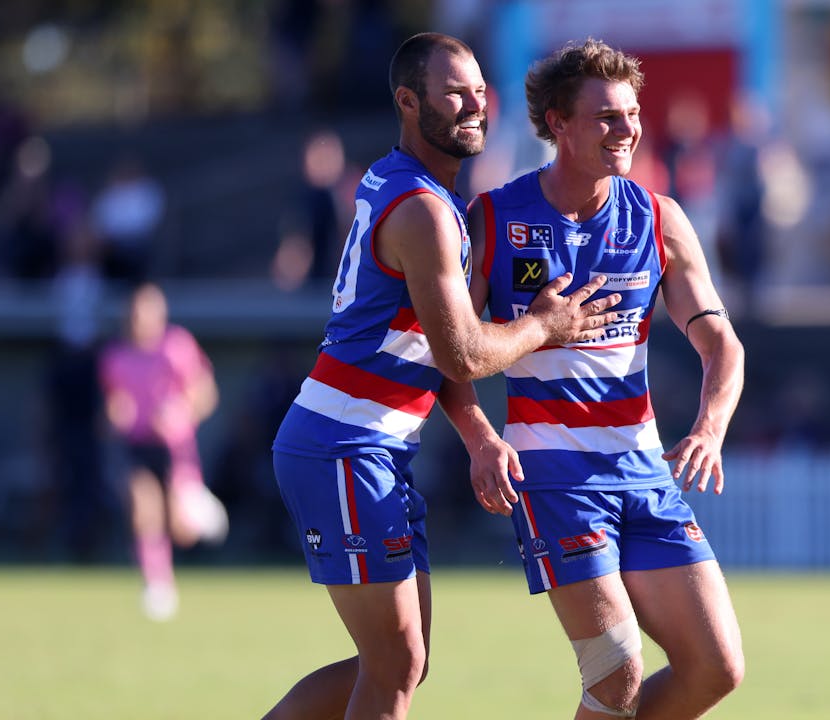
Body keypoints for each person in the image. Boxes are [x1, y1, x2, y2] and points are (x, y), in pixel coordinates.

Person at [265, 32, 621, 720]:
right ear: (408, 102)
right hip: (343, 445)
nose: (474, 105)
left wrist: (480, 436)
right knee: (396, 664)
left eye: (480, 90)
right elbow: (460, 354)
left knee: (404, 659)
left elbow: (437, 352)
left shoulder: (413, 186)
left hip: (366, 447)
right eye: (454, 92)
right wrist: (546, 327)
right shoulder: (426, 211)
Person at [460, 38, 746, 718]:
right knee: (616, 670)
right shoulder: (497, 219)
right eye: (608, 116)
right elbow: (447, 352)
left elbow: (723, 345)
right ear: (558, 123)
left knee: (717, 668)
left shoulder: (658, 219)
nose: (628, 129)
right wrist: (478, 437)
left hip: (644, 470)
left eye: (632, 113)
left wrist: (710, 426)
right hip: (553, 476)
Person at [99, 282, 227, 620]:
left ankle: (199, 512)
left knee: (180, 527)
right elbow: (109, 410)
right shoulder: (115, 356)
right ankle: (157, 583)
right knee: (144, 508)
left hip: (175, 448)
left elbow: (205, 393)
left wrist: (181, 411)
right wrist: (115, 415)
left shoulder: (177, 346)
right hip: (138, 446)